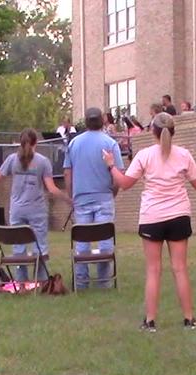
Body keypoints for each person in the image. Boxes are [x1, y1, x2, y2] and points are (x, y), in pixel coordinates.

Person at [104, 112, 196, 331]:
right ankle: (189, 319)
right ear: (173, 131)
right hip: (179, 216)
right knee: (180, 268)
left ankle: (150, 321)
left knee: (153, 270)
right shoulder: (184, 155)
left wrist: (111, 165)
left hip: (152, 217)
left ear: (152, 131)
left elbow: (124, 183)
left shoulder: (144, 155)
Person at [0, 129, 68, 280]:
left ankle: (21, 284)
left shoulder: (12, 159)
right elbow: (51, 189)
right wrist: (68, 198)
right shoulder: (43, 162)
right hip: (37, 210)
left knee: (19, 247)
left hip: (17, 210)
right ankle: (41, 282)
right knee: (40, 247)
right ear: (36, 142)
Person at [64, 107, 124, 289]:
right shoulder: (110, 143)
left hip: (81, 198)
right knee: (105, 240)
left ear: (86, 122)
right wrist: (113, 191)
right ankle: (104, 282)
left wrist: (71, 195)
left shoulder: (74, 144)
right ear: (102, 121)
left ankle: (81, 283)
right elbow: (118, 172)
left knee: (82, 242)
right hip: (104, 196)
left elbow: (67, 172)